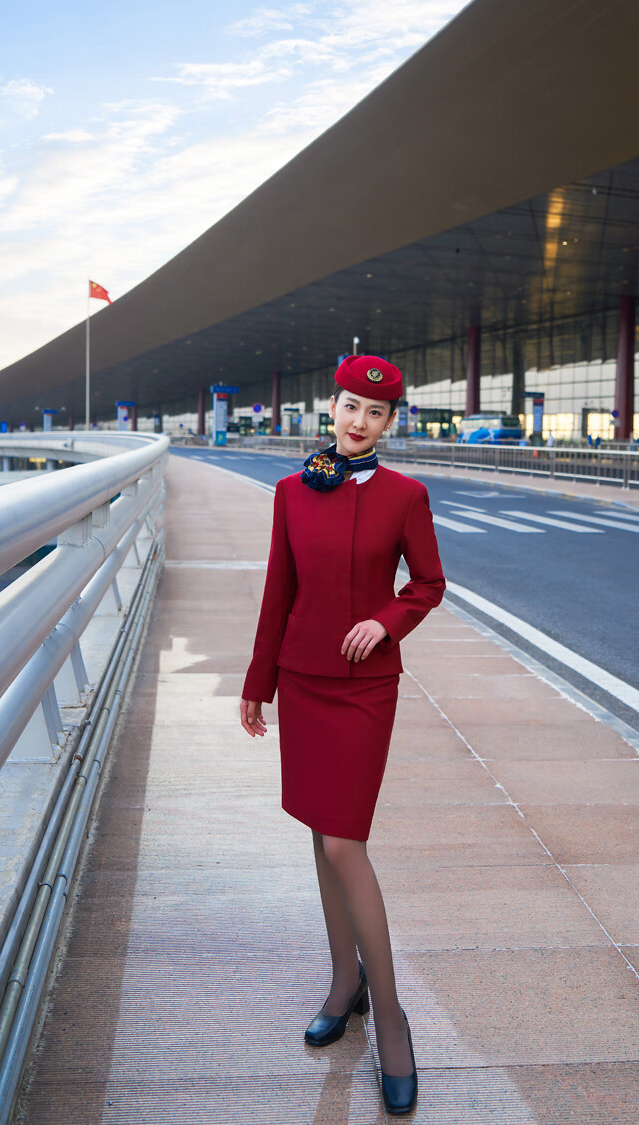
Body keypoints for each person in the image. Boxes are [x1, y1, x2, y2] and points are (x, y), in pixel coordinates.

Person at [240, 354, 445, 1116]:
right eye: (350, 406)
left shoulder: (405, 496)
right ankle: (342, 981)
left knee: (343, 840)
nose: (359, 422)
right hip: (302, 679)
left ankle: (390, 1015)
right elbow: (277, 590)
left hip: (364, 689)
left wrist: (384, 620)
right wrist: (258, 681)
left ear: (393, 422)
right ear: (332, 405)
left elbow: (428, 584)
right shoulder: (291, 491)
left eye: (376, 413)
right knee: (320, 831)